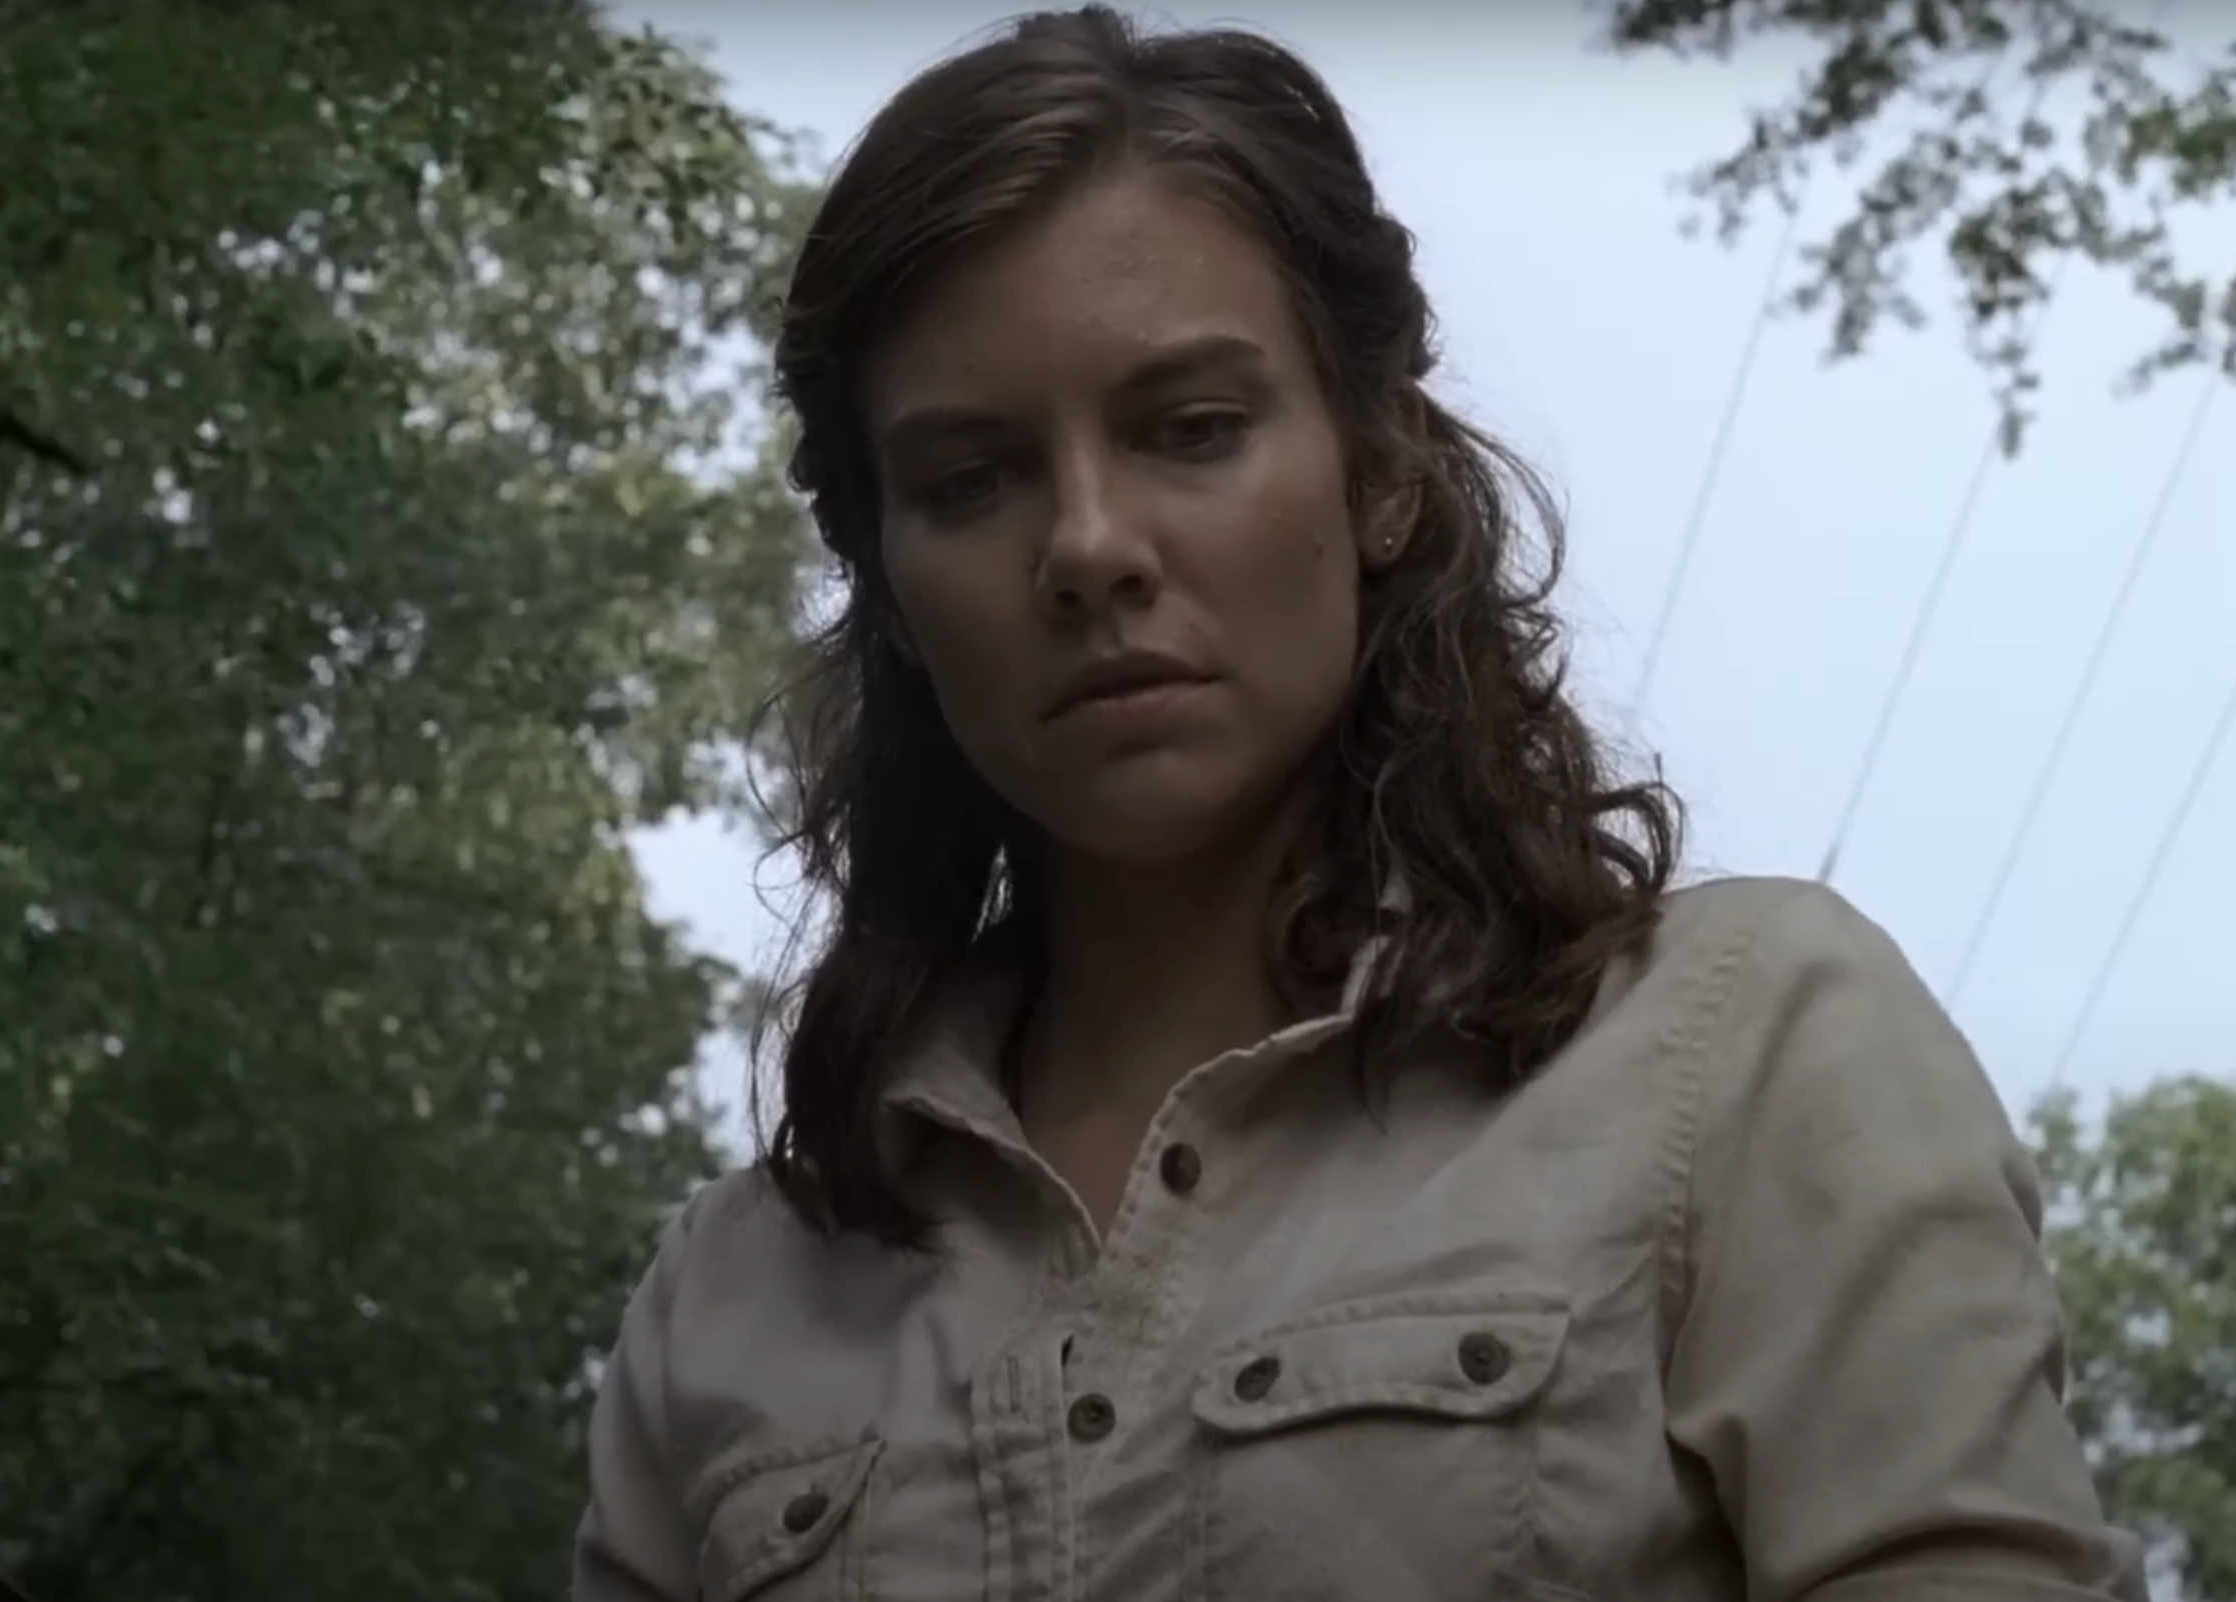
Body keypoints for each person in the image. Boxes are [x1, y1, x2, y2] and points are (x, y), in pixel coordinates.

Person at [573, 8, 2150, 1600]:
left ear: (1380, 465)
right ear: (894, 588)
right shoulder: (734, 1298)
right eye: (971, 478)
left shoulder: (1742, 1060)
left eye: (1190, 429)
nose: (1090, 544)